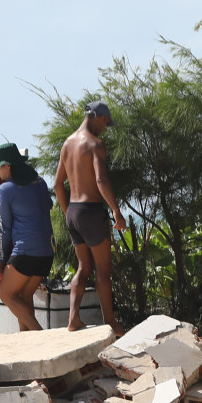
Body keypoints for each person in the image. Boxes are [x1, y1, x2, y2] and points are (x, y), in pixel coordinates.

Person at [54, 100, 126, 331]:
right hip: (92, 211)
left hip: (74, 211)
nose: (105, 129)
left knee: (84, 267)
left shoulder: (67, 144)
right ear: (100, 118)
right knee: (104, 271)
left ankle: (73, 319)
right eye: (106, 123)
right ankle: (111, 324)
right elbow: (100, 180)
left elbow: (57, 185)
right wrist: (116, 210)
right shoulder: (95, 144)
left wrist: (69, 215)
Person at [0, 143, 53, 332]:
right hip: (47, 251)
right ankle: (26, 340)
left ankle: (40, 334)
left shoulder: (5, 189)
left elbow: (4, 227)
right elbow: (48, 204)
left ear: (8, 166)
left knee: (7, 295)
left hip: (25, 252)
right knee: (24, 297)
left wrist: (0, 259)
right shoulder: (40, 182)